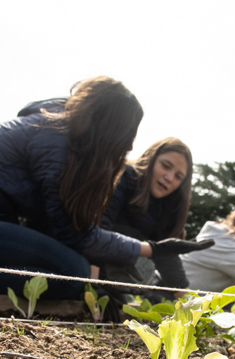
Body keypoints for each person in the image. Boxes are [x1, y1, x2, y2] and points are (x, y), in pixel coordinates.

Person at [0, 77, 211, 302]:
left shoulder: (64, 137)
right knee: (74, 275)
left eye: (179, 176)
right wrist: (96, 284)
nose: (129, 146)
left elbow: (66, 227)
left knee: (73, 273)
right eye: (128, 132)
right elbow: (76, 232)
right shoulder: (57, 142)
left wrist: (188, 299)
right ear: (109, 126)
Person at [98, 137, 213, 302]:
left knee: (121, 306)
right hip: (86, 261)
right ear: (150, 159)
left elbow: (165, 253)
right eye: (165, 166)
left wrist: (192, 305)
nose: (169, 177)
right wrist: (91, 285)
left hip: (112, 272)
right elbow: (95, 231)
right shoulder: (123, 177)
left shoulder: (166, 206)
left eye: (179, 176)